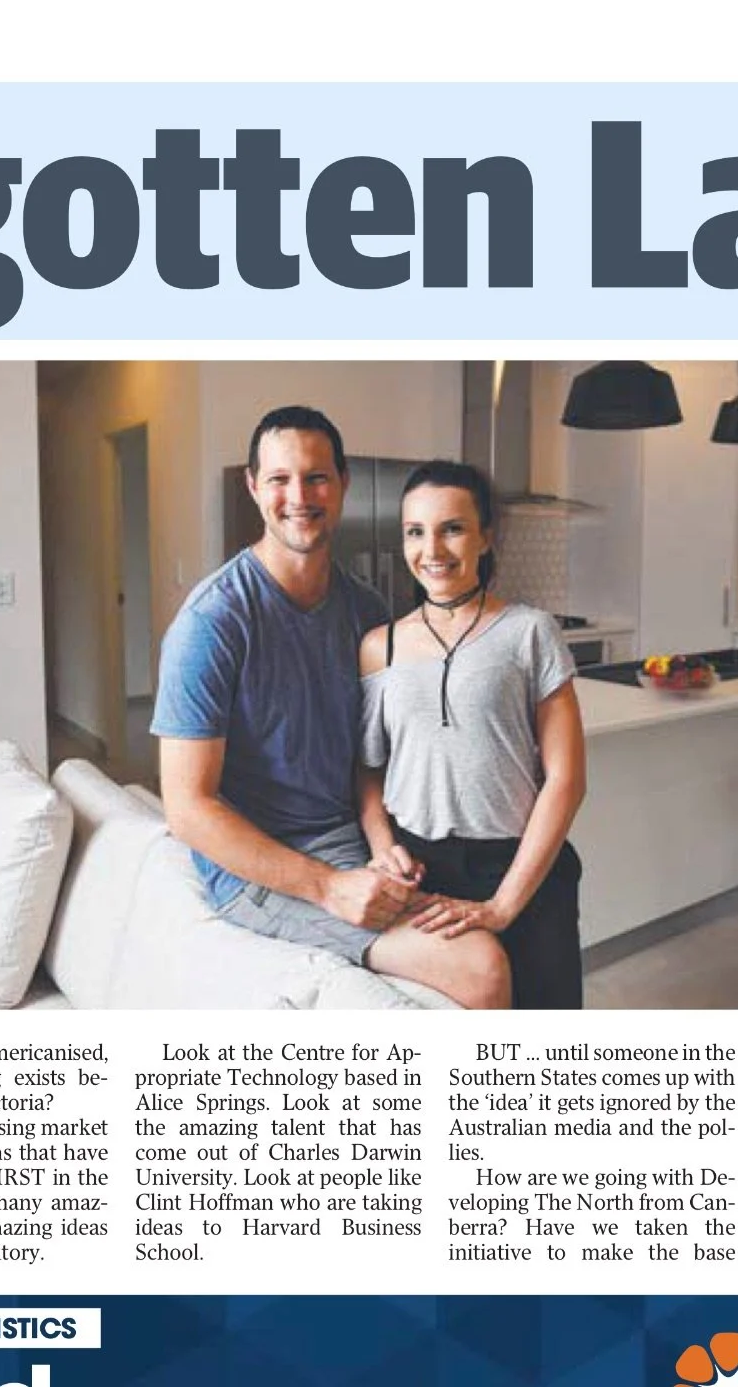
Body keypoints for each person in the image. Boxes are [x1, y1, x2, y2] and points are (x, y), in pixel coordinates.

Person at [152, 407, 512, 1008]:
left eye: (317, 477)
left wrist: (380, 844)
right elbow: (187, 808)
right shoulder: (212, 622)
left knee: (497, 908)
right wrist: (330, 888)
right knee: (482, 968)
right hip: (259, 869)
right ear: (253, 486)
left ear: (342, 483)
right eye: (279, 479)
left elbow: (377, 752)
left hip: (355, 837)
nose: (300, 496)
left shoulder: (365, 609)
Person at [356, 460, 588, 1009]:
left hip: (521, 868)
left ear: (485, 536)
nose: (431, 549)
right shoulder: (378, 647)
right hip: (423, 875)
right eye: (416, 532)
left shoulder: (530, 631)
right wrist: (384, 848)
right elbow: (368, 772)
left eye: (452, 528)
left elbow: (567, 778)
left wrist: (505, 904)